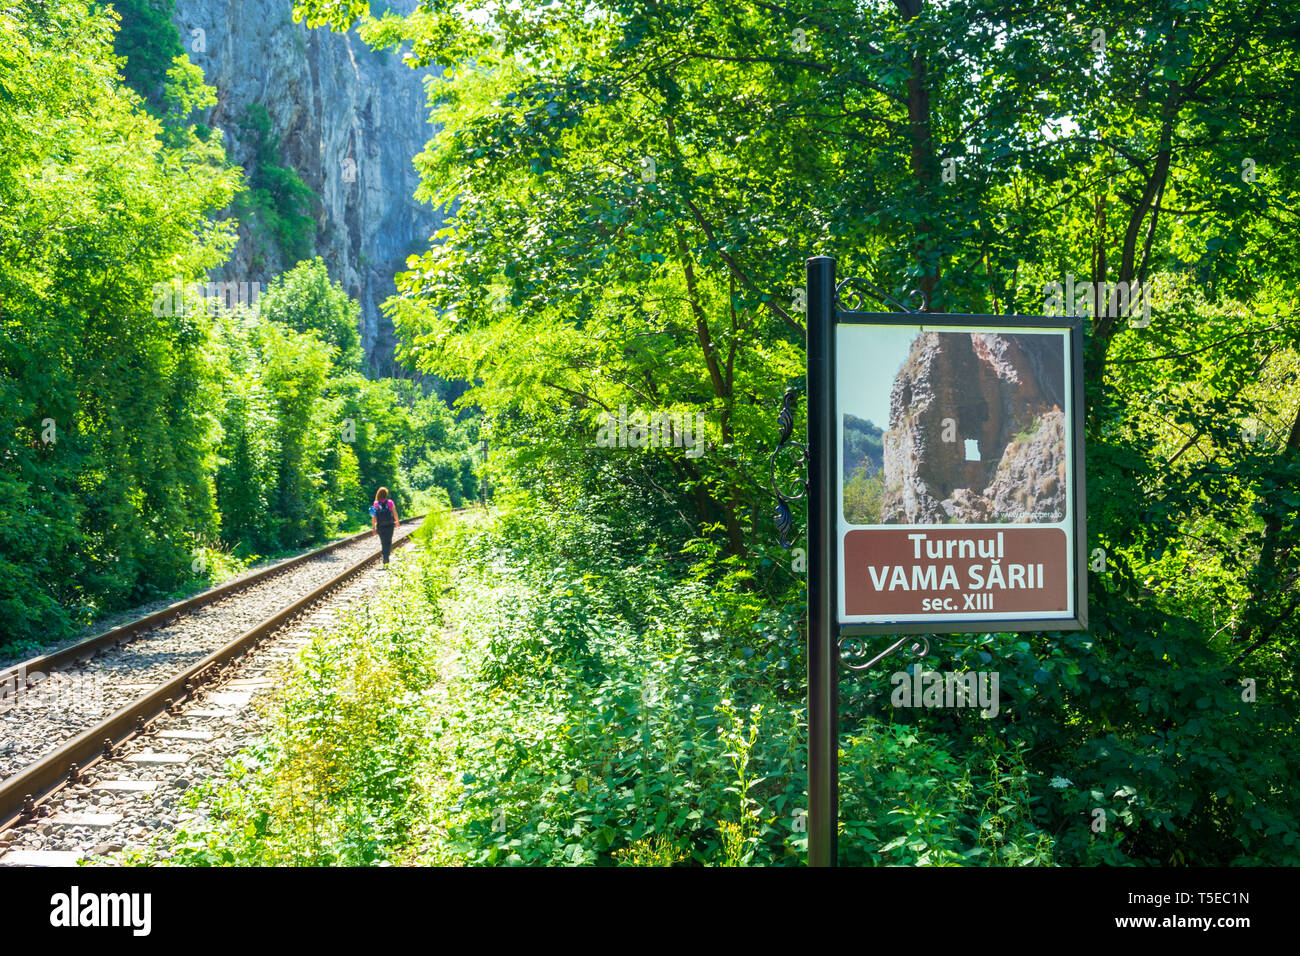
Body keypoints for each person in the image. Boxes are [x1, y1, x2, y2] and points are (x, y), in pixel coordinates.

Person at [369, 486, 400, 566]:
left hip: (380, 526)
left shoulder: (376, 504)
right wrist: (397, 521)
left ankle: (384, 557)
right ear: (386, 494)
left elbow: (374, 517)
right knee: (388, 542)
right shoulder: (390, 502)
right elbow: (394, 512)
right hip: (389, 525)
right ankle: (386, 558)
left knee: (383, 542)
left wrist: (373, 527)